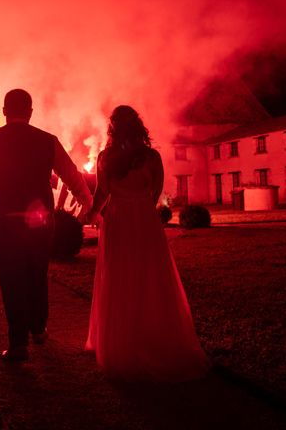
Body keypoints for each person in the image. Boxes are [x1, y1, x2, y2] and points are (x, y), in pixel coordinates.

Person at [84, 105, 210, 381]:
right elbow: (156, 189)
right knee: (149, 274)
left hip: (116, 218)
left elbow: (101, 192)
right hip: (142, 216)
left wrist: (93, 212)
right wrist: (140, 206)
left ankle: (118, 342)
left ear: (113, 129)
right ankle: (150, 335)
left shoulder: (106, 157)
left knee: (117, 276)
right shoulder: (151, 156)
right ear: (138, 126)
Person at [0, 89, 92, 362]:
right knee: (37, 273)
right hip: (39, 222)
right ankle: (38, 328)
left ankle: (18, 343)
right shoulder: (47, 141)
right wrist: (87, 203)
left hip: (4, 220)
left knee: (11, 279)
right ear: (31, 112)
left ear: (4, 111)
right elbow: (71, 174)